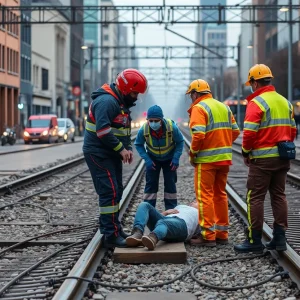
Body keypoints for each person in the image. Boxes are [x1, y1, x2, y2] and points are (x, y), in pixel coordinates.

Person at [234, 64, 297, 253]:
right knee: (279, 195)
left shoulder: (257, 102)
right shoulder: (285, 102)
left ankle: (254, 240)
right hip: (283, 157)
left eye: (251, 83)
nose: (251, 86)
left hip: (262, 160)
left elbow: (250, 133)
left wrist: (246, 152)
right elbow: (293, 130)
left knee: (255, 197)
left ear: (255, 82)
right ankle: (279, 237)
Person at [83, 69, 148, 248]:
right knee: (109, 192)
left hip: (109, 152)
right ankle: (110, 236)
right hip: (98, 152)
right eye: (134, 93)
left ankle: (115, 228)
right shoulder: (107, 102)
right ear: (126, 89)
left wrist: (126, 148)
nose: (136, 97)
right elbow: (102, 131)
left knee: (116, 190)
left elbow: (123, 129)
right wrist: (121, 149)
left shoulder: (120, 102)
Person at [186, 79, 240, 247]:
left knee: (205, 197)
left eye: (191, 95)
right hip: (224, 160)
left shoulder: (199, 108)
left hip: (207, 161)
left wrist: (193, 154)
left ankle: (208, 235)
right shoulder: (224, 106)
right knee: (220, 195)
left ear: (195, 93)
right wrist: (221, 144)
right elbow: (236, 131)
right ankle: (222, 234)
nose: (191, 99)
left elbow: (199, 135)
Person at [134, 105, 184, 210]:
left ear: (161, 120)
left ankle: (171, 210)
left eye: (156, 121)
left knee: (170, 185)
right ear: (147, 120)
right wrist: (147, 159)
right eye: (150, 120)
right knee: (150, 186)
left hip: (169, 159)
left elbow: (180, 142)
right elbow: (138, 144)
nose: (153, 123)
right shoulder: (144, 129)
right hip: (152, 160)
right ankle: (149, 210)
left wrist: (176, 158)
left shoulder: (172, 127)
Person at [126, 201, 199, 250]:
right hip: (165, 223)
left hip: (183, 225)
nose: (194, 201)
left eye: (197, 201)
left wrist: (197, 239)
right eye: (194, 201)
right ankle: (137, 232)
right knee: (144, 205)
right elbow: (159, 218)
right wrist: (166, 212)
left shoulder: (201, 214)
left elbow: (205, 230)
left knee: (164, 222)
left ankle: (153, 237)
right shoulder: (181, 206)